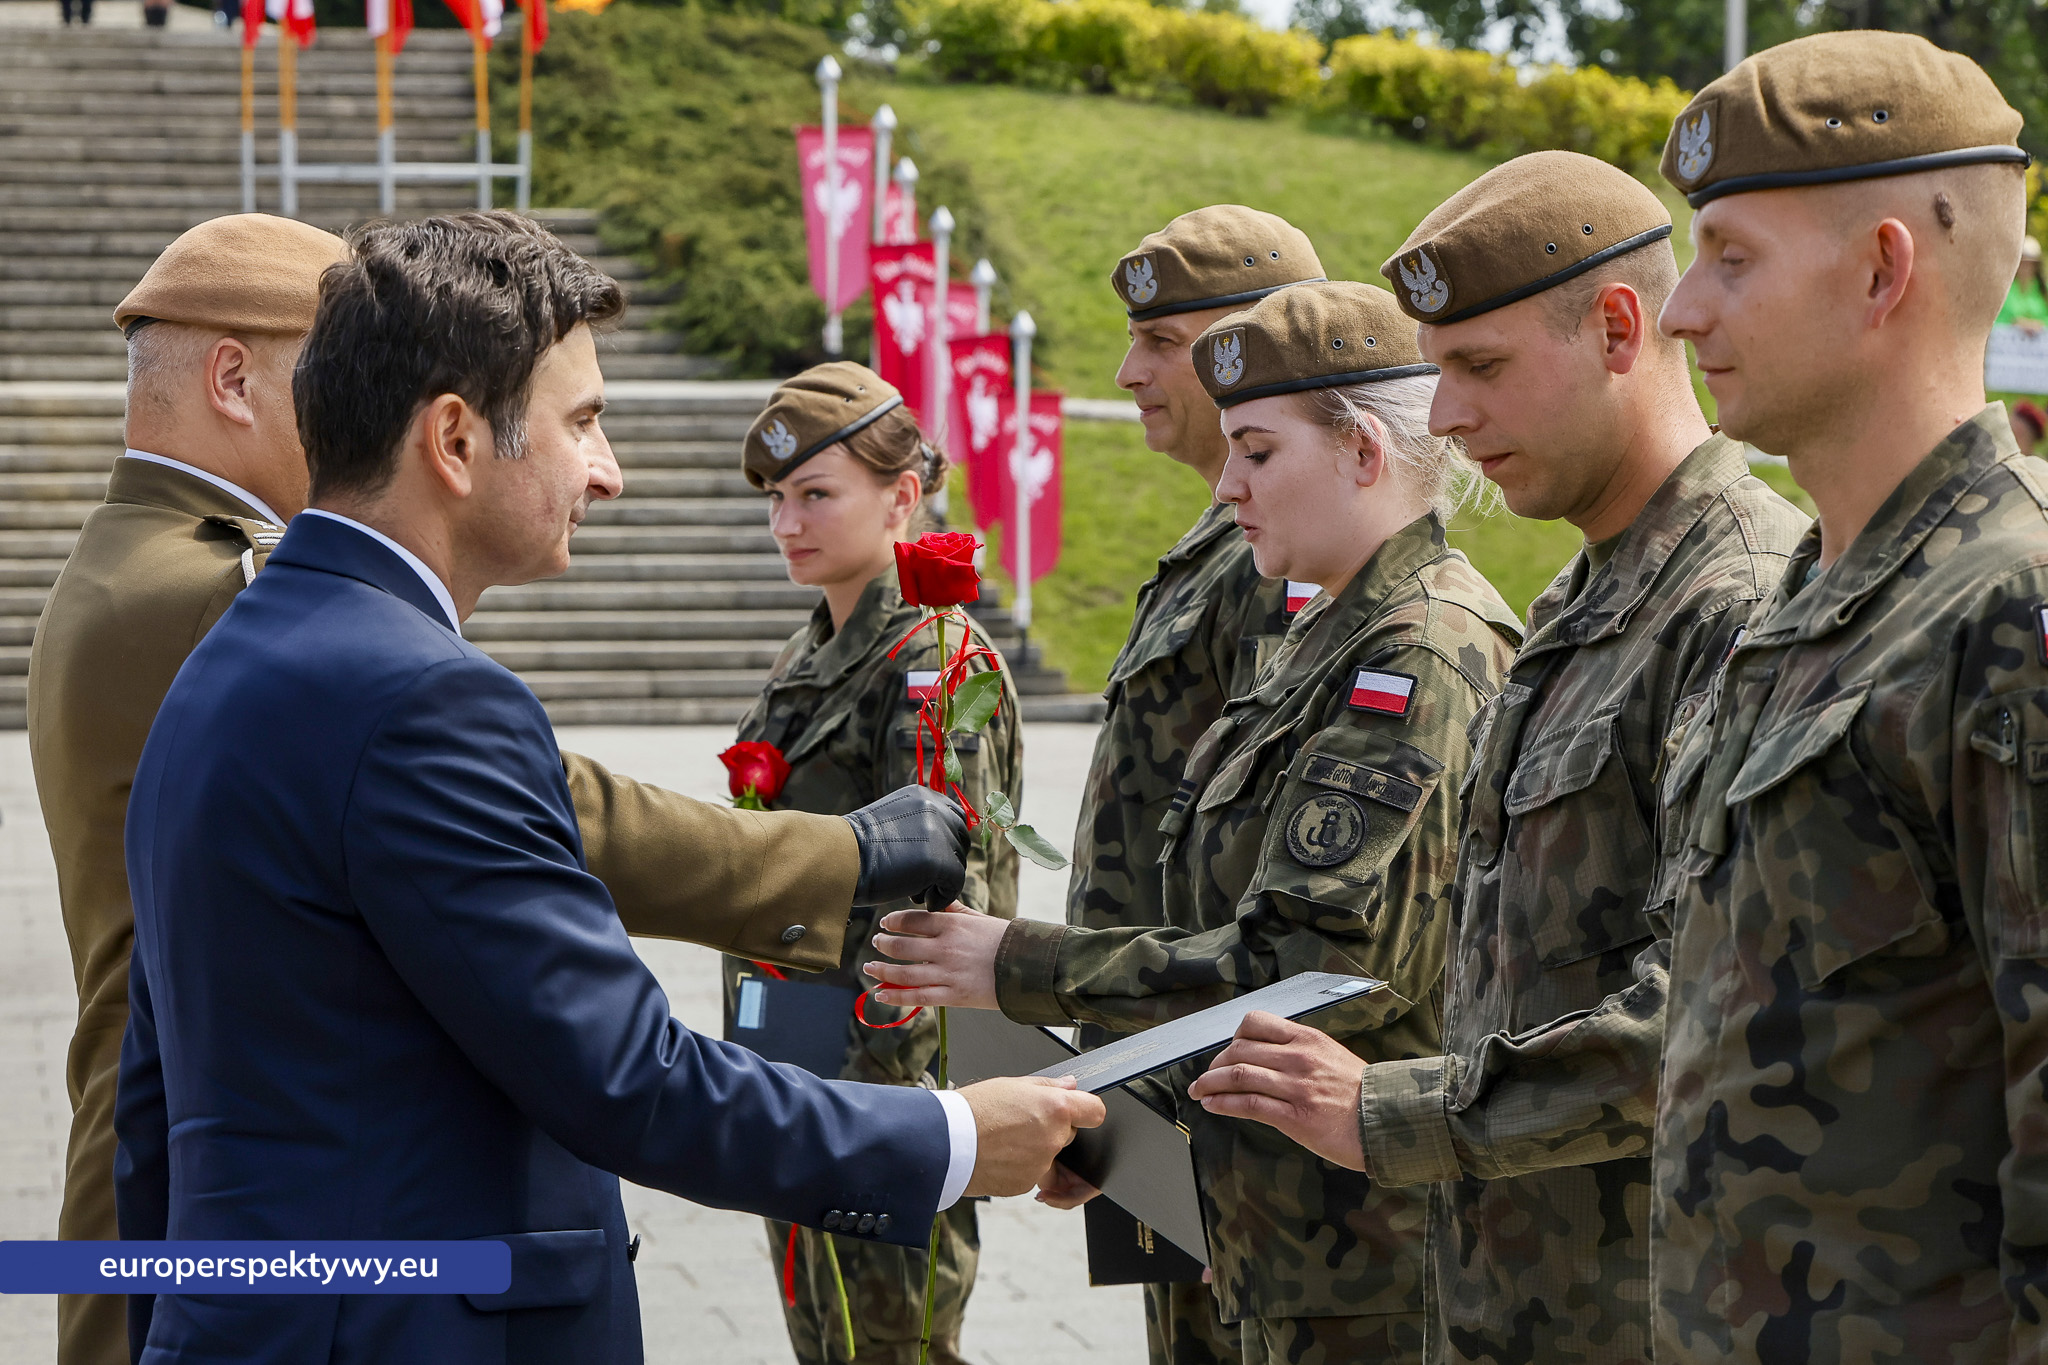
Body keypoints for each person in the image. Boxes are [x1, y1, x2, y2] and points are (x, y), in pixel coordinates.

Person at [111, 212, 1103, 1363]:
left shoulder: (227, 662)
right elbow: (630, 1081)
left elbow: (157, 1117)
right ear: (453, 440)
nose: (609, 472)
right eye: (582, 421)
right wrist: (953, 1139)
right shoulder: (425, 703)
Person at [1184, 153, 1810, 1365]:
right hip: (1503, 1297)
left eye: (1478, 367)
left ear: (1618, 330)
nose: (1448, 420)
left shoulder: (1733, 601)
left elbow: (1701, 1010)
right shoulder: (1585, 589)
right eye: (1434, 373)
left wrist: (1392, 1112)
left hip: (1634, 1312)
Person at [870, 281, 1522, 1365]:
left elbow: (1307, 968)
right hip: (1266, 1217)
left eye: (1257, 454)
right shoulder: (1320, 643)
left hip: (1358, 1251)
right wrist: (1126, 1124)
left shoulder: (1416, 655)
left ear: (1363, 452)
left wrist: (1016, 963)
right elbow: (1213, 917)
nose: (1227, 487)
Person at [1647, 34, 2048, 1359]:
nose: (1681, 310)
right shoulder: (1799, 603)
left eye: (1731, 257)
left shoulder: (2010, 612)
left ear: (1883, 270)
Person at [724, 362, 1023, 1365]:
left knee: (891, 1335)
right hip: (796, 1045)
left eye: (814, 494)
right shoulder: (810, 651)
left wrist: (878, 1093)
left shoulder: (934, 660)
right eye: (775, 499)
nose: (785, 523)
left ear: (904, 495)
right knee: (821, 1325)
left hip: (879, 1068)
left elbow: (943, 892)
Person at [1071, 203, 1312, 1365]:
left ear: (1240, 350)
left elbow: (1275, 869)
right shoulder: (1218, 546)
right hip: (1167, 1076)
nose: (1125, 372)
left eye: (1158, 343)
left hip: (1224, 1094)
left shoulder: (1283, 560)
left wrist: (1207, 1149)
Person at [1997, 234, 2047, 333]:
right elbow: (1997, 320)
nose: (2026, 267)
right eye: (2023, 262)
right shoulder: (2004, 290)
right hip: (2008, 343)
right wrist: (2015, 323)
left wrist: (2038, 325)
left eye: (2030, 263)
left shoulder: (2044, 289)